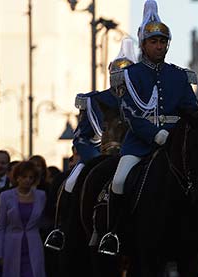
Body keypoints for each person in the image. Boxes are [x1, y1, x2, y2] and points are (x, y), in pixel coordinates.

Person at [98, 0, 198, 257]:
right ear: (143, 44)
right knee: (119, 180)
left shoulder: (179, 75)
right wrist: (156, 134)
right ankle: (114, 234)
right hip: (139, 145)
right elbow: (130, 114)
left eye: (163, 42)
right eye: (154, 42)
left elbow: (191, 109)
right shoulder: (129, 75)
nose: (159, 46)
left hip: (175, 145)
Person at [44, 37, 138, 251]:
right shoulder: (94, 100)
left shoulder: (140, 102)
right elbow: (82, 137)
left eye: (124, 76)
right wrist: (94, 158)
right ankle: (60, 230)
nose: (119, 80)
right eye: (116, 74)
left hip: (131, 154)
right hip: (98, 155)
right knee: (70, 182)